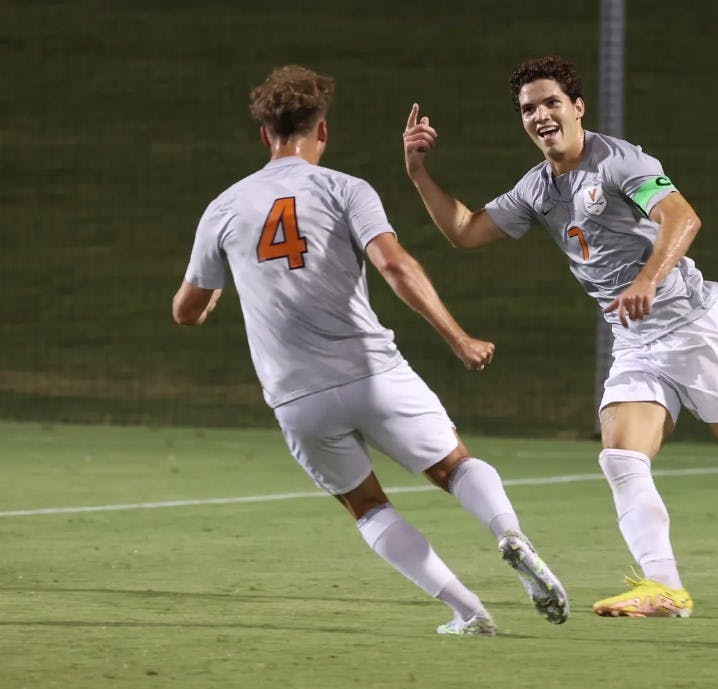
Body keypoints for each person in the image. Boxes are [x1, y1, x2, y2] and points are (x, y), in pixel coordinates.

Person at [402, 54, 718, 619]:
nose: (541, 115)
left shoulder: (619, 161)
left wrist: (647, 279)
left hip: (695, 329)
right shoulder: (537, 189)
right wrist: (419, 174)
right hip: (635, 341)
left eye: (551, 103)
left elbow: (683, 218)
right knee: (621, 456)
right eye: (529, 109)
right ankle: (664, 586)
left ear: (577, 107)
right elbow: (465, 230)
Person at [171, 65, 569, 636]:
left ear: (264, 135)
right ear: (322, 130)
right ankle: (510, 534)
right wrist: (458, 338)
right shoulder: (345, 188)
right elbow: (395, 266)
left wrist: (209, 297)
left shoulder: (224, 207)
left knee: (367, 507)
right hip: (374, 375)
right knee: (455, 466)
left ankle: (468, 611)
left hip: (298, 397)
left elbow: (186, 309)